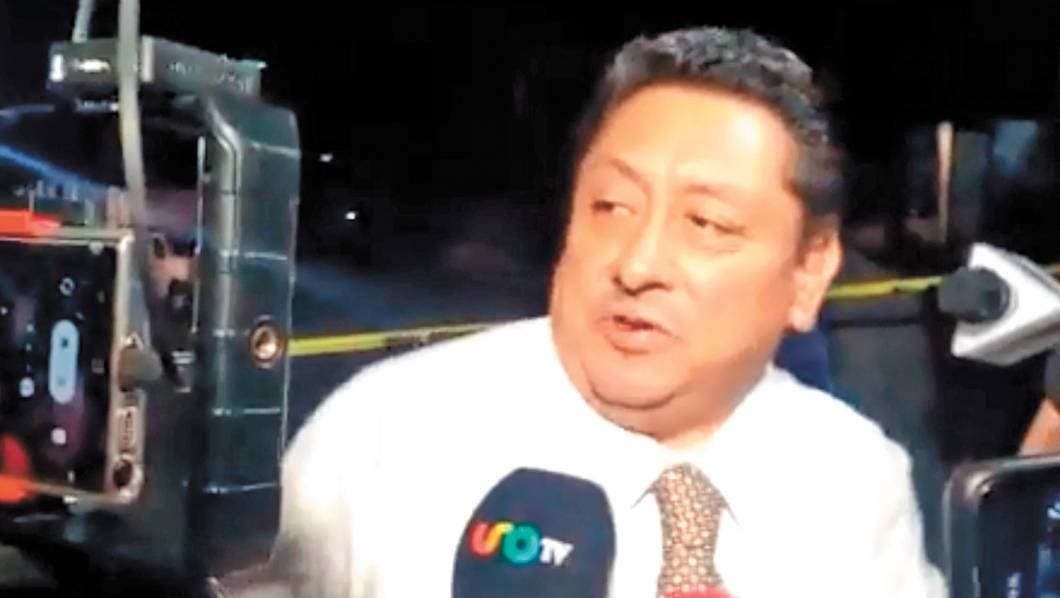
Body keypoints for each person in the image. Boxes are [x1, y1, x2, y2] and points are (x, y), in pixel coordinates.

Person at [271, 26, 946, 597]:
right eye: (611, 208)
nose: (638, 265)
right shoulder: (382, 439)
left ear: (809, 272)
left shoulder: (855, 475)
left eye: (706, 223)